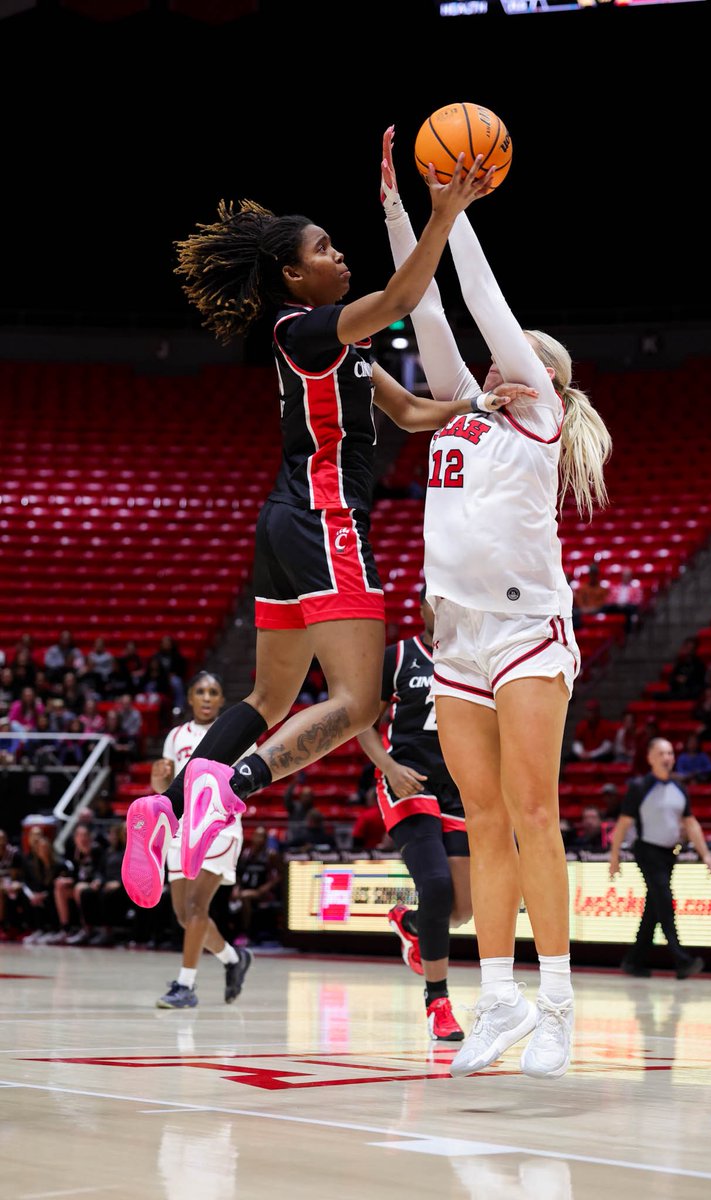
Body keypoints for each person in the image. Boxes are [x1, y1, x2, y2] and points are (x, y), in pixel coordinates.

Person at [121, 155, 532, 911]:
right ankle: (231, 792)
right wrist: (444, 212)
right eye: (324, 250)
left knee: (267, 699)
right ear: (292, 276)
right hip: (325, 522)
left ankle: (166, 807)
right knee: (356, 703)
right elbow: (406, 292)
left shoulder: (342, 346)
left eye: (338, 246)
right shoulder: (303, 330)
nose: (338, 257)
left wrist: (484, 405)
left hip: (284, 525)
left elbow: (408, 412)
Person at [376, 128, 612, 1079]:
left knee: (532, 812)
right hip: (460, 639)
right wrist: (402, 210)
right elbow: (427, 306)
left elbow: (477, 296)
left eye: (516, 353)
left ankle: (557, 1002)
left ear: (546, 377)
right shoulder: (463, 407)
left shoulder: (541, 418)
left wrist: (459, 208)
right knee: (479, 820)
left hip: (525, 629)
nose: (491, 357)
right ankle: (501, 1000)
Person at [357, 585, 472, 1042]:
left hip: (458, 791)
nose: (443, 609)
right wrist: (388, 767)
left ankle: (409, 922)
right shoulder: (400, 656)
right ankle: (438, 1003)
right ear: (423, 607)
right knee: (437, 885)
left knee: (461, 912)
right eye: (436, 600)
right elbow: (361, 720)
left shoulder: (473, 660)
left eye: (452, 601)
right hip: (407, 782)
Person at [148, 671, 255, 1008]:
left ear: (222, 700)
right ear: (191, 698)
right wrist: (157, 781)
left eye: (213, 692)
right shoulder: (176, 736)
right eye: (200, 691)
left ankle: (185, 985)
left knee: (197, 906)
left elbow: (254, 778)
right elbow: (164, 790)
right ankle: (233, 960)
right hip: (181, 830)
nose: (207, 697)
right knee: (184, 915)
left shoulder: (238, 733)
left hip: (220, 828)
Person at [608, 737, 711, 978]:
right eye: (661, 753)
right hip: (647, 851)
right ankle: (682, 960)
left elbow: (691, 823)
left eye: (670, 753)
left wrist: (705, 854)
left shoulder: (680, 788)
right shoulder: (639, 787)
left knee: (654, 907)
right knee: (665, 902)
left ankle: (633, 961)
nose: (667, 758)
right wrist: (614, 857)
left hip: (668, 855)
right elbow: (623, 823)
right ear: (650, 758)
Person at [570, 699, 615, 763]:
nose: (590, 714)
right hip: (584, 754)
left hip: (598, 755)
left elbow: (607, 746)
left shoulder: (606, 725)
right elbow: (577, 742)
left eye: (593, 711)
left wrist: (591, 755)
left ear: (597, 712)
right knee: (569, 758)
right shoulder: (582, 725)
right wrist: (581, 753)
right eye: (588, 711)